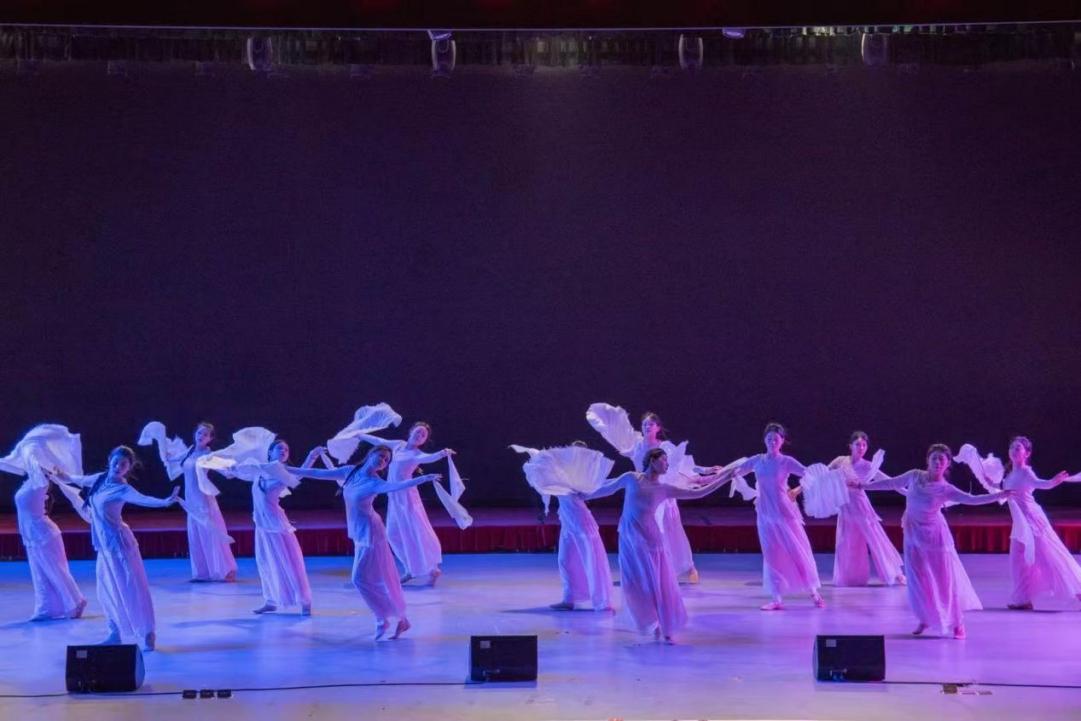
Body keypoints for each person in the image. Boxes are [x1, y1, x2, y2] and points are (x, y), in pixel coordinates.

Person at [285, 445, 442, 639]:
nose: (383, 461)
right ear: (371, 454)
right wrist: (285, 468)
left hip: (372, 533)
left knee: (359, 578)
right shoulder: (350, 471)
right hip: (359, 532)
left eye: (386, 460)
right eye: (381, 456)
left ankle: (385, 618)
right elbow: (316, 473)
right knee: (370, 579)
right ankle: (398, 619)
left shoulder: (376, 482)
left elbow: (396, 486)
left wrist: (423, 479)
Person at [584, 448, 734, 643]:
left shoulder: (664, 489)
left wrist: (724, 478)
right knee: (634, 584)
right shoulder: (631, 478)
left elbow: (698, 493)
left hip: (650, 541)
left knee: (657, 584)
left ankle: (665, 626)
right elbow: (606, 489)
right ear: (652, 460)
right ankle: (650, 622)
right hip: (629, 539)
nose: (667, 464)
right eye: (663, 460)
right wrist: (581, 495)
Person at [862, 443, 1009, 639]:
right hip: (913, 534)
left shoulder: (946, 489)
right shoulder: (914, 476)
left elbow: (972, 499)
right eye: (934, 458)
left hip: (935, 538)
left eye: (942, 459)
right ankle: (925, 617)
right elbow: (890, 483)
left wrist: (1001, 494)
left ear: (947, 464)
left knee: (943, 581)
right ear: (927, 460)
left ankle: (957, 622)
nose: (938, 462)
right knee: (918, 580)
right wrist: (864, 485)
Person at [49, 446, 180, 650]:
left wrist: (165, 502)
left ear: (128, 468)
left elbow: (143, 499)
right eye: (116, 462)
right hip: (104, 547)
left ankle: (147, 633)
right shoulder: (100, 479)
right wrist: (59, 474)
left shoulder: (123, 489)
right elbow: (77, 479)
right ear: (110, 460)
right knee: (106, 590)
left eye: (123, 465)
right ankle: (114, 632)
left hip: (121, 547)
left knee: (131, 588)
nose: (118, 467)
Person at [587, 404, 701, 584]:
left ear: (658, 428)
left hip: (662, 494)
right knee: (644, 532)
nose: (647, 427)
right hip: (641, 496)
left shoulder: (665, 447)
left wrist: (704, 472)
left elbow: (682, 465)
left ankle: (686, 566)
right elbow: (616, 436)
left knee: (671, 532)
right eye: (644, 424)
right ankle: (650, 568)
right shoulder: (636, 447)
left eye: (651, 424)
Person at [338, 421, 453, 585]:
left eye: (423, 435)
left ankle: (431, 569)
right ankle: (410, 569)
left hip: (408, 498)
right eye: (418, 432)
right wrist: (360, 435)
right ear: (411, 432)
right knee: (392, 534)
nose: (420, 435)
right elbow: (379, 441)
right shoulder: (398, 445)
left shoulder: (417, 454)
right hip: (394, 497)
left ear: (424, 440)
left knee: (415, 532)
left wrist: (442, 453)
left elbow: (430, 457)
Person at [729, 423, 825, 610]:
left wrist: (797, 490)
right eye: (769, 439)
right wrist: (716, 475)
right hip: (765, 513)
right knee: (771, 554)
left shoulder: (786, 461)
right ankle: (776, 598)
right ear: (764, 440)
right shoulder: (757, 460)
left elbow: (810, 475)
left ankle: (814, 592)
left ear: (782, 441)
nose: (772, 442)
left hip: (784, 512)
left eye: (776, 439)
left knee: (796, 551)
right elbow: (736, 472)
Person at [0, 424, 87, 621]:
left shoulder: (41, 481)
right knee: (40, 573)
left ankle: (76, 601)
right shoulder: (29, 482)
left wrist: (32, 450)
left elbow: (32, 458)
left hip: (43, 534)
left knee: (55, 570)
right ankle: (46, 608)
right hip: (32, 534)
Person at [828, 431, 905, 587]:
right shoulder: (840, 461)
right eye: (858, 444)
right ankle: (849, 577)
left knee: (877, 540)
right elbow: (824, 475)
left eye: (864, 445)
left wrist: (908, 493)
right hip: (845, 508)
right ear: (850, 446)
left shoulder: (868, 466)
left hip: (861, 507)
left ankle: (896, 574)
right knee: (846, 543)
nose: (861, 448)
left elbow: (889, 482)